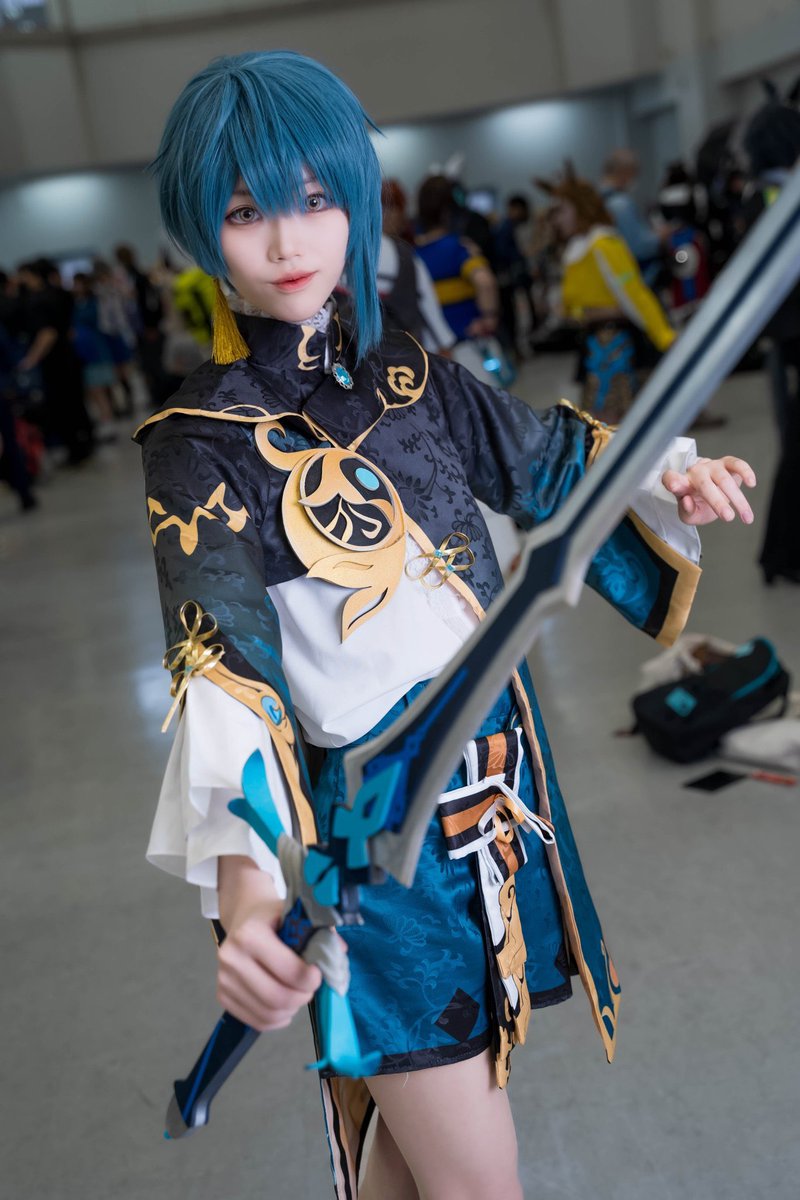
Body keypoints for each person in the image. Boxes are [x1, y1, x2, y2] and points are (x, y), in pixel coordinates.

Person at [139, 51, 757, 1200]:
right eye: (245, 212)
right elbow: (224, 675)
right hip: (370, 845)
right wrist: (251, 899)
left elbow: (547, 463)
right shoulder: (198, 439)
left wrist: (670, 473)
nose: (288, 241)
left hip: (491, 794)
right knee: (475, 1182)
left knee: (421, 1155)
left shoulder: (405, 372)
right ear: (199, 228)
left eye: (314, 198)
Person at [539, 166, 675, 423]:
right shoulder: (576, 249)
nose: (556, 220)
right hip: (593, 343)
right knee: (599, 421)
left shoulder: (604, 244)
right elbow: (571, 306)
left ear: (581, 208)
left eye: (561, 211)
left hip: (614, 344)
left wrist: (664, 337)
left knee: (610, 420)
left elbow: (635, 295)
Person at [741, 82, 800, 584]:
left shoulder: (759, 197)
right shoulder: (775, 199)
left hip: (784, 334)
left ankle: (779, 555)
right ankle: (781, 555)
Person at [16, 259, 94, 465]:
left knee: (62, 406)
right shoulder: (60, 294)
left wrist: (31, 359)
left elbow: (47, 333)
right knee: (76, 401)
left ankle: (75, 449)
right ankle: (86, 440)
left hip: (54, 361)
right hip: (69, 355)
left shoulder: (38, 300)